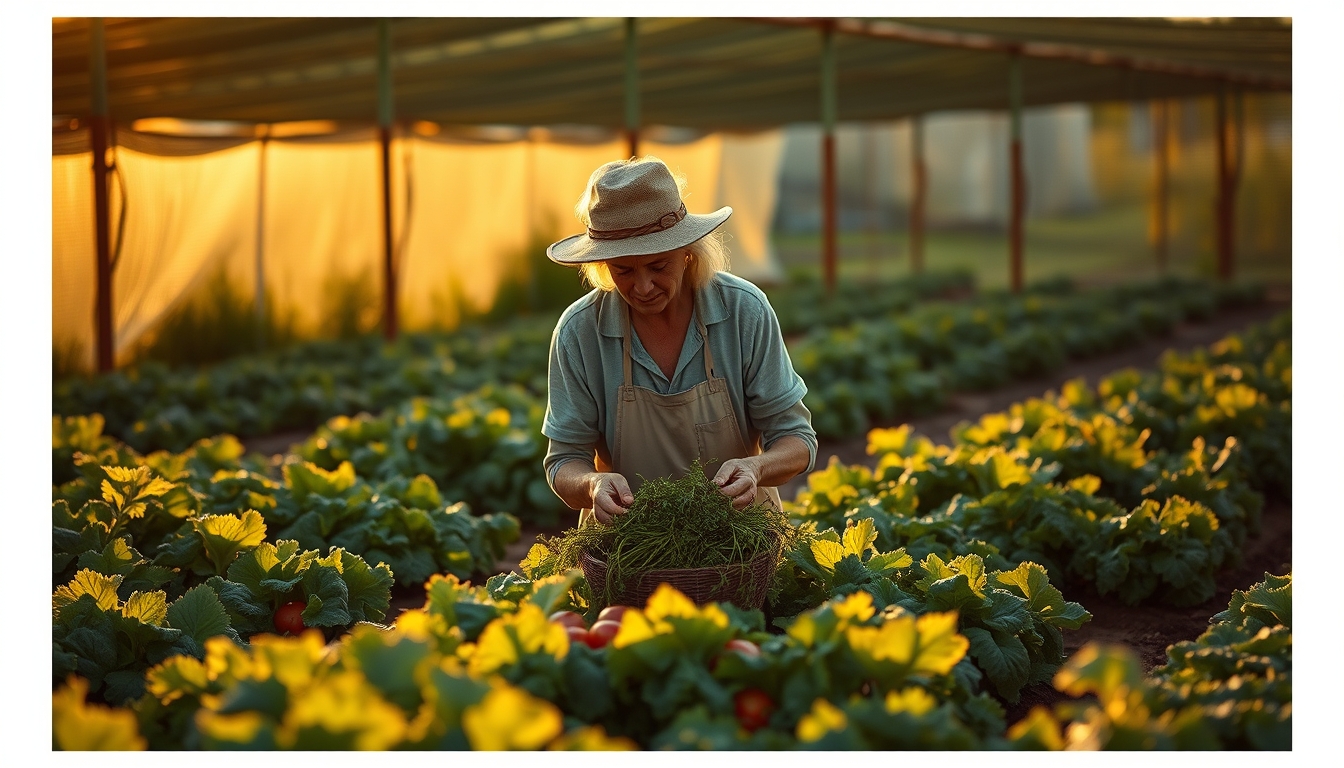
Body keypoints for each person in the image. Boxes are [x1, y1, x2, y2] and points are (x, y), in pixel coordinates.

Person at [541, 156, 817, 526]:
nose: (642, 287)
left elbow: (797, 440)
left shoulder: (743, 311)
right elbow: (563, 461)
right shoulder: (579, 331)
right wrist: (591, 484)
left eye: (658, 266)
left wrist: (756, 468)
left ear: (687, 253)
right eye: (623, 270)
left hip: (740, 535)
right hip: (630, 543)